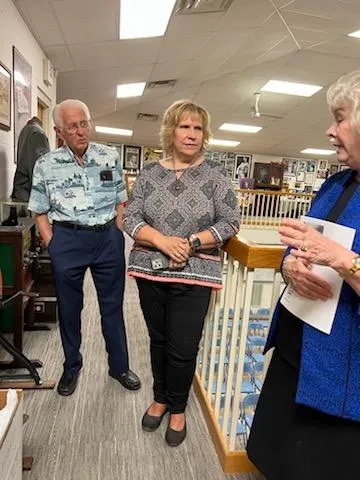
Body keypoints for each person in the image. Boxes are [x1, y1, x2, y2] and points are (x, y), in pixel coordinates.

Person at [246, 70, 360, 480]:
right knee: (276, 456)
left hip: (344, 381)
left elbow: (335, 255)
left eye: (340, 117)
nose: (330, 131)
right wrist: (290, 265)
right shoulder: (335, 184)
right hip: (299, 355)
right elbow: (302, 248)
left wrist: (344, 261)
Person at [123, 99, 240, 447]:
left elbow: (231, 221)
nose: (191, 135)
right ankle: (159, 398)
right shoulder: (149, 172)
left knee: (183, 346)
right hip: (151, 271)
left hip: (196, 273)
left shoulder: (215, 175)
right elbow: (131, 218)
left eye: (197, 128)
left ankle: (177, 407)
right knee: (157, 340)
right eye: (184, 127)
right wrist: (160, 240)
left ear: (204, 135)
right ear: (170, 131)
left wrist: (189, 242)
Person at [28, 99, 141, 396]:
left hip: (107, 240)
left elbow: (121, 198)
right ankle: (71, 367)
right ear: (59, 131)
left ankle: (119, 367)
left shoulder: (109, 156)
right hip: (67, 240)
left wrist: (117, 231)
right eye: (72, 126)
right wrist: (53, 243)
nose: (80, 131)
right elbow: (39, 210)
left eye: (84, 124)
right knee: (69, 309)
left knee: (112, 307)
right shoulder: (46, 164)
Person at [12, 116, 50, 202]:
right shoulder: (38, 133)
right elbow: (40, 165)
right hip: (30, 191)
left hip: (21, 188)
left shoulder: (24, 130)